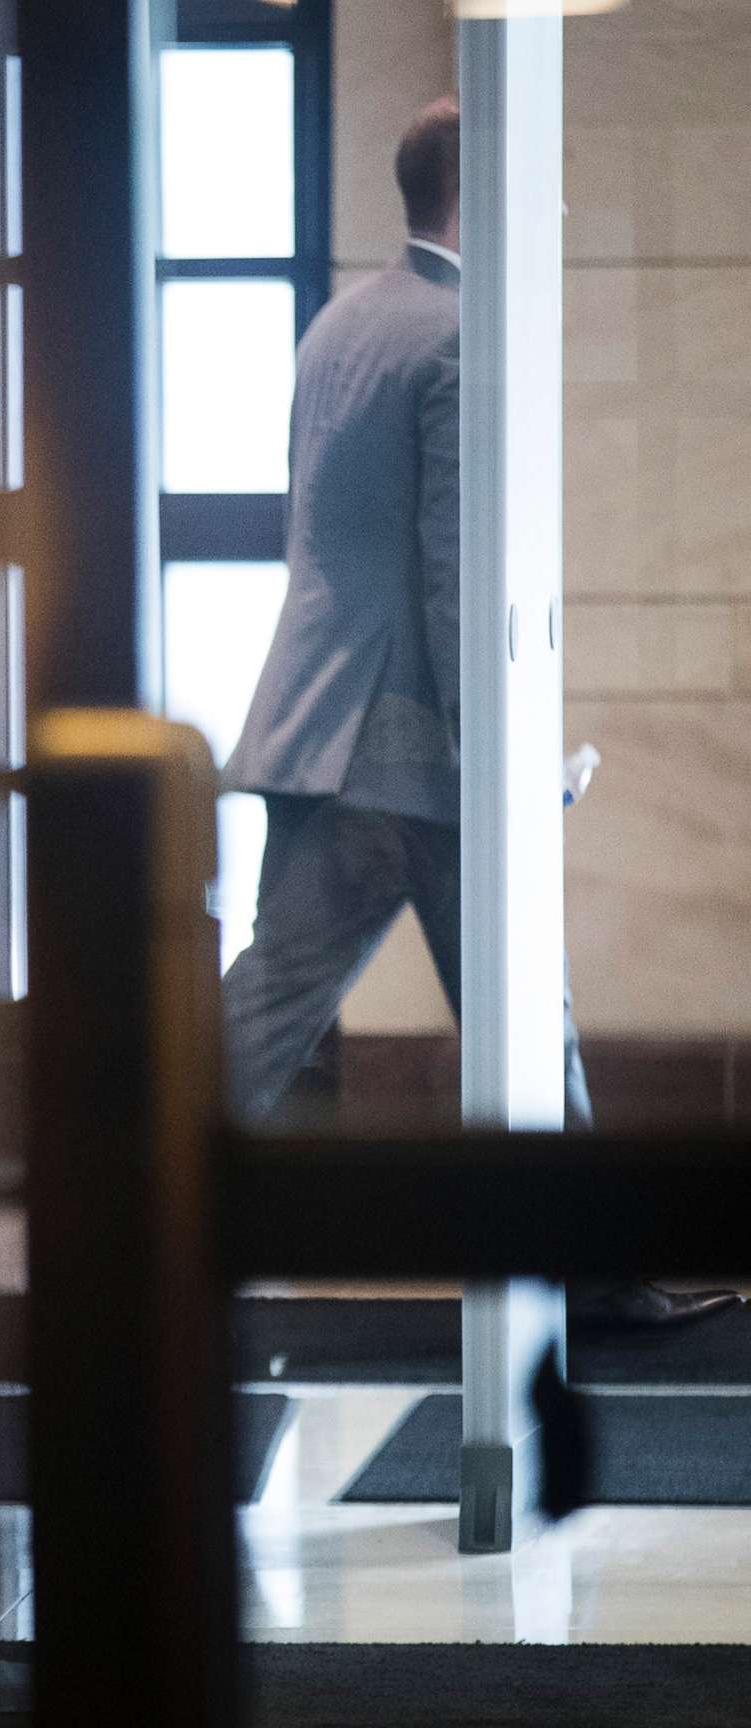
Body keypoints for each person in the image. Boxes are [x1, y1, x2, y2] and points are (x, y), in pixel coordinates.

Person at [217, 96, 732, 1330]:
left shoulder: (347, 320)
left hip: (319, 728)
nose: (556, 208)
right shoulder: (460, 335)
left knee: (276, 1007)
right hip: (414, 754)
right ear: (483, 190)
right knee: (498, 1002)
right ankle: (595, 1273)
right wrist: (512, 761)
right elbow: (461, 576)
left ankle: (105, 1222)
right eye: (542, 185)